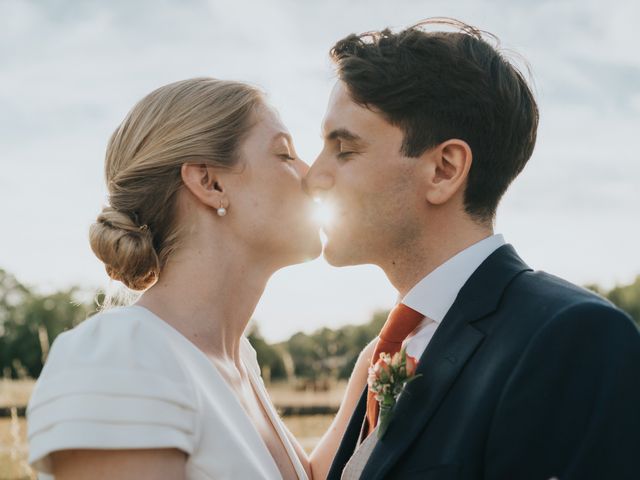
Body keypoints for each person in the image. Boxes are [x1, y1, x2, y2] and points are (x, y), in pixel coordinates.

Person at [304, 19, 640, 480]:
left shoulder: (571, 338)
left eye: (343, 149)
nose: (312, 176)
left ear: (444, 169)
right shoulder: (392, 349)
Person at [26, 77, 322, 479]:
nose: (314, 176)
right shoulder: (124, 357)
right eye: (285, 154)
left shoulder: (240, 363)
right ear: (209, 183)